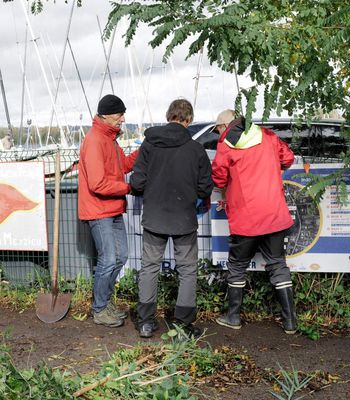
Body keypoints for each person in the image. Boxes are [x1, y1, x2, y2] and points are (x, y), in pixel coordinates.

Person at [130, 99, 213, 338]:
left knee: (149, 267)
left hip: (154, 217)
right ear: (189, 120)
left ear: (169, 116)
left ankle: (146, 322)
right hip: (184, 218)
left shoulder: (149, 144)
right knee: (187, 270)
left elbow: (137, 182)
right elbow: (205, 187)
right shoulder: (196, 149)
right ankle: (183, 326)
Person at [211, 109, 297, 334]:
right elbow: (288, 158)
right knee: (278, 264)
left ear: (226, 125)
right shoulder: (267, 136)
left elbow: (219, 178)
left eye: (219, 128)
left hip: (245, 217)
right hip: (273, 213)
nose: (219, 133)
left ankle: (233, 317)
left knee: (238, 265)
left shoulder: (225, 145)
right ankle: (290, 322)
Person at [78, 94, 139, 328]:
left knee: (121, 256)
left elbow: (122, 165)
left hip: (112, 207)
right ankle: (100, 309)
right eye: (119, 114)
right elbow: (97, 184)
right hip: (98, 209)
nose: (123, 119)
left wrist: (145, 150)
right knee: (108, 259)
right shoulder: (95, 140)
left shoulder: (109, 139)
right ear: (106, 115)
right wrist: (129, 188)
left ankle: (104, 302)